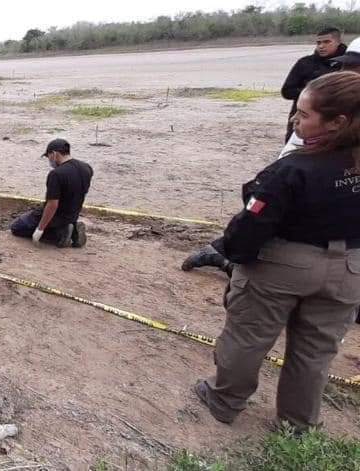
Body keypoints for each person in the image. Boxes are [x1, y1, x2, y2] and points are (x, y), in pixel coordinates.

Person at [194, 72, 360, 433]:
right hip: (349, 269)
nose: (294, 120)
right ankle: (298, 424)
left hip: (285, 265)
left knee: (248, 338)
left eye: (303, 114)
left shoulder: (292, 168)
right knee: (315, 352)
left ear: (338, 121)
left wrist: (235, 255)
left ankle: (223, 400)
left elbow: (251, 225)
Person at [183, 38, 360, 273]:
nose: (347, 74)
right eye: (345, 68)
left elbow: (261, 214)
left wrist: (234, 251)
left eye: (355, 68)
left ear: (337, 123)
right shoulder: (301, 154)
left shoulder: (297, 168)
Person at [9, 139, 92, 248]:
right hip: (72, 214)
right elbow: (83, 193)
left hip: (55, 216)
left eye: (48, 157)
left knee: (16, 227)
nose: (49, 161)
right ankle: (72, 231)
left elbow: (52, 205)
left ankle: (59, 234)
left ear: (53, 154)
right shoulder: (86, 168)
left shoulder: (56, 174)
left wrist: (40, 229)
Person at [280, 27, 345, 142]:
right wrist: (312, 94)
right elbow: (287, 91)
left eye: (327, 42)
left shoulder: (347, 64)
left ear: (338, 42)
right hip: (303, 120)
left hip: (335, 122)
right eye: (318, 42)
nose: (321, 46)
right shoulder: (305, 63)